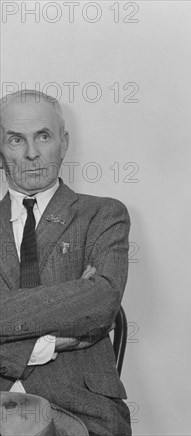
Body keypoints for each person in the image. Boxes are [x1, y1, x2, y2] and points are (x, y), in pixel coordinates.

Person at [0, 90, 131, 435]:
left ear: (64, 142)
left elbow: (102, 301)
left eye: (43, 136)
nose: (31, 153)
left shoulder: (103, 215)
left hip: (81, 408)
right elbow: (85, 304)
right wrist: (51, 340)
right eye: (16, 140)